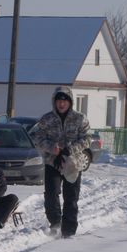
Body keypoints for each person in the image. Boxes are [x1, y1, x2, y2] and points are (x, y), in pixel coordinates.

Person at [30, 86, 91, 238]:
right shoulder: (46, 119)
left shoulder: (80, 118)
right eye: (58, 101)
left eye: (64, 101)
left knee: (71, 198)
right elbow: (36, 137)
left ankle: (69, 232)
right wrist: (52, 148)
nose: (61, 104)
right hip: (53, 163)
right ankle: (56, 223)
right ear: (54, 102)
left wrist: (70, 149)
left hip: (73, 163)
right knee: (51, 195)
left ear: (70, 102)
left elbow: (87, 139)